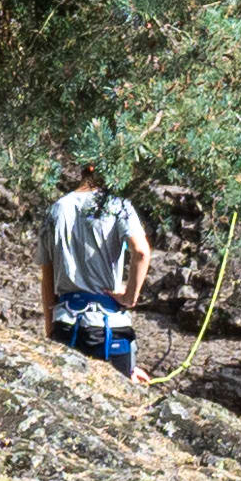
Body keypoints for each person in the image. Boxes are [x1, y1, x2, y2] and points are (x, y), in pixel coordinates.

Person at [44, 158, 154, 376]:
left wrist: (51, 330)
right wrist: (130, 297)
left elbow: (47, 276)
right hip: (108, 329)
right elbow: (141, 252)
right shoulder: (118, 206)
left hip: (65, 325)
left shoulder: (54, 211)